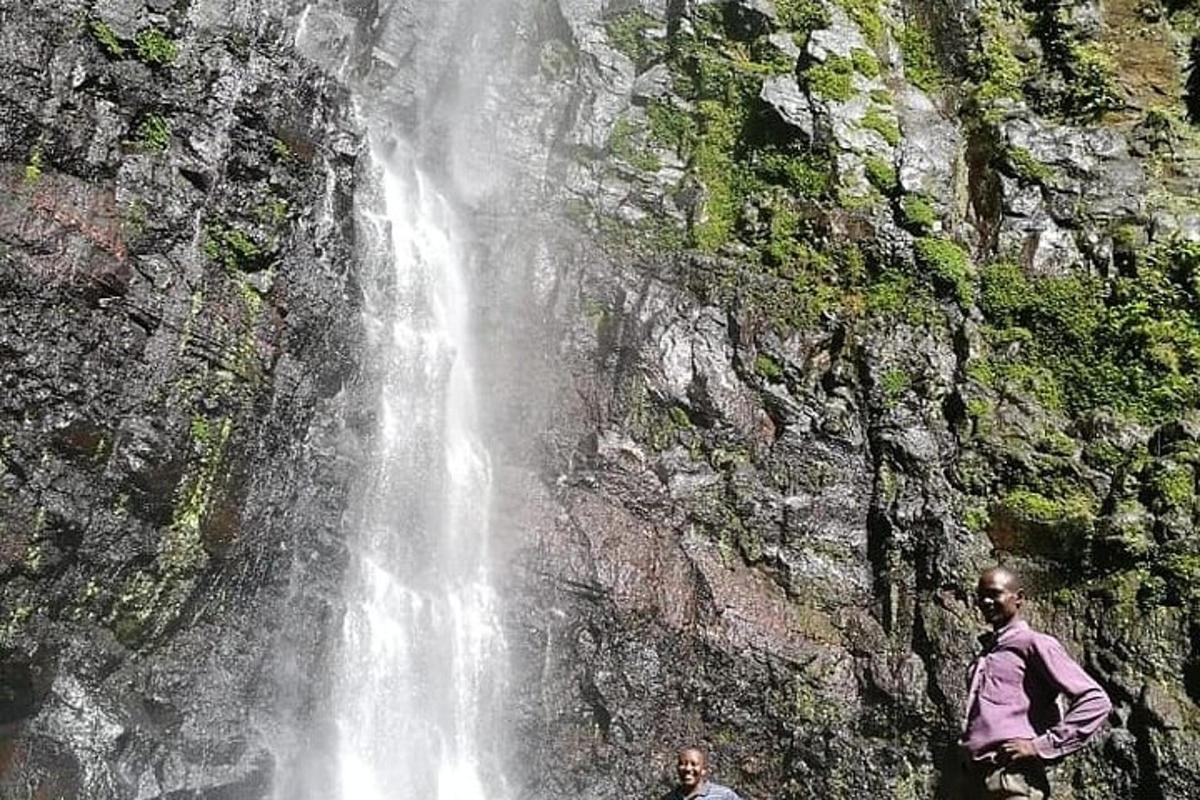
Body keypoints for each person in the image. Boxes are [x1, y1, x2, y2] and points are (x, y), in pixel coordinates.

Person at [960, 566, 1112, 798]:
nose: (986, 601)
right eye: (981, 596)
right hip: (977, 782)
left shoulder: (1033, 644)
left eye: (994, 594)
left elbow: (1096, 700)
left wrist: (1039, 746)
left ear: (1018, 598)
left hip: (1013, 780)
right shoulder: (986, 655)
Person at [662, 747, 742, 800]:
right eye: (682, 764)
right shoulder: (669, 798)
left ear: (703, 769)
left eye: (693, 764)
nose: (688, 769)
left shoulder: (724, 795)